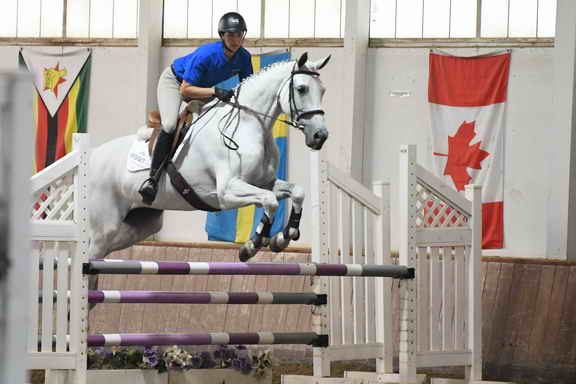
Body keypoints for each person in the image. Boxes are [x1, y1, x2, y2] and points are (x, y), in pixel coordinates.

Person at [139, 11, 254, 204]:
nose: (235, 40)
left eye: (239, 34)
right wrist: (215, 92)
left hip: (201, 89)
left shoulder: (244, 57)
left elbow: (247, 87)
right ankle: (152, 180)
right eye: (231, 35)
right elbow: (185, 90)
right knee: (169, 125)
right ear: (222, 36)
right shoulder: (206, 54)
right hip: (175, 83)